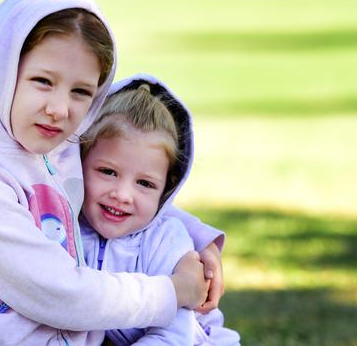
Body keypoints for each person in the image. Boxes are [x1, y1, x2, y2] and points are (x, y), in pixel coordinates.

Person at [0, 0, 225, 345]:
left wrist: (198, 241)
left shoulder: (54, 154)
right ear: (4, 70)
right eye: (43, 81)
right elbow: (61, 293)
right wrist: (171, 292)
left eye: (81, 91)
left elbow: (117, 190)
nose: (60, 109)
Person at [78, 74, 240, 345]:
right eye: (108, 171)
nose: (122, 195)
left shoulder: (167, 240)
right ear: (79, 161)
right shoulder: (65, 228)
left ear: (166, 190)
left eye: (144, 183)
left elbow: (173, 335)